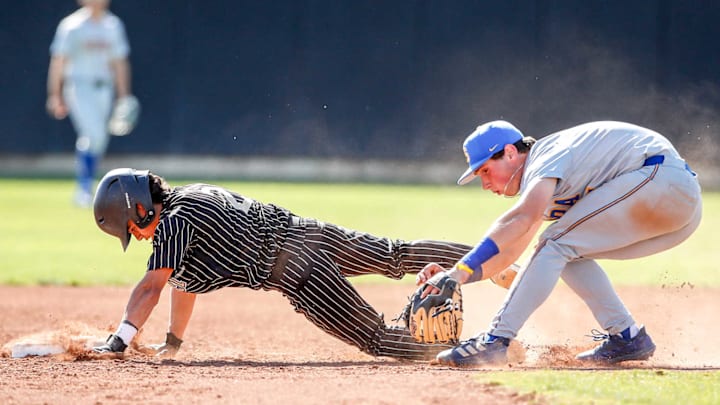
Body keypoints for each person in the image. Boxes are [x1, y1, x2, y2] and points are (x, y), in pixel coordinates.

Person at [90, 168, 479, 361]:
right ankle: (490, 259)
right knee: (397, 255)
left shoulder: (173, 224)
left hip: (297, 270)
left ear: (139, 209)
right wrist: (173, 342)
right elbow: (183, 281)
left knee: (377, 337)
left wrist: (118, 340)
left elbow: (150, 287)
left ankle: (466, 352)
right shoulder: (192, 195)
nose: (136, 237)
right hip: (310, 232)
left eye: (129, 229)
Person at [415, 120, 702, 366]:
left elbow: (521, 219)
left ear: (511, 153)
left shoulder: (545, 155)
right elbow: (510, 250)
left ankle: (494, 341)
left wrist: (460, 270)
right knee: (565, 251)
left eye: (486, 171)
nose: (485, 184)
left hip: (661, 178)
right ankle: (626, 337)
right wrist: (455, 277)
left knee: (555, 243)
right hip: (677, 207)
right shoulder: (542, 182)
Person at [46, 0, 133, 207]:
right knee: (94, 134)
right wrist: (55, 94)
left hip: (105, 87)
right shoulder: (72, 25)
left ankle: (85, 185)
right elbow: (59, 60)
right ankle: (84, 187)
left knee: (98, 140)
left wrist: (124, 96)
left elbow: (119, 62)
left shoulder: (113, 25)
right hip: (79, 85)